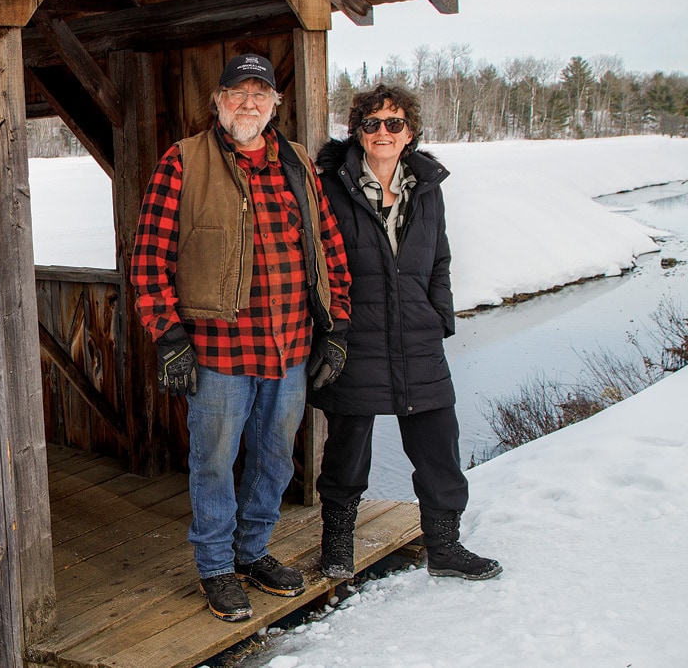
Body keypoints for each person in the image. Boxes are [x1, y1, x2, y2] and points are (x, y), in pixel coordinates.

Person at [130, 53, 352, 622]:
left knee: (275, 460)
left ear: (275, 104)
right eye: (237, 92)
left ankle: (252, 553)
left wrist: (337, 326)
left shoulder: (297, 163)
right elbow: (148, 259)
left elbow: (327, 249)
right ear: (217, 102)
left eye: (259, 93)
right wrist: (168, 334)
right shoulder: (184, 161)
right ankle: (215, 568)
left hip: (290, 348)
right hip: (219, 353)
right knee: (214, 462)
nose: (247, 103)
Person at [309, 83, 502, 582]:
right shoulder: (330, 186)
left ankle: (445, 547)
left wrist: (440, 315)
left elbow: (439, 258)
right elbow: (319, 266)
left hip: (417, 336)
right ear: (357, 131)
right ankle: (336, 547)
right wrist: (332, 329)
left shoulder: (427, 188)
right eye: (371, 123)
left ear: (410, 131)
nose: (382, 133)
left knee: (439, 445)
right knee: (348, 448)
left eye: (394, 123)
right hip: (357, 335)